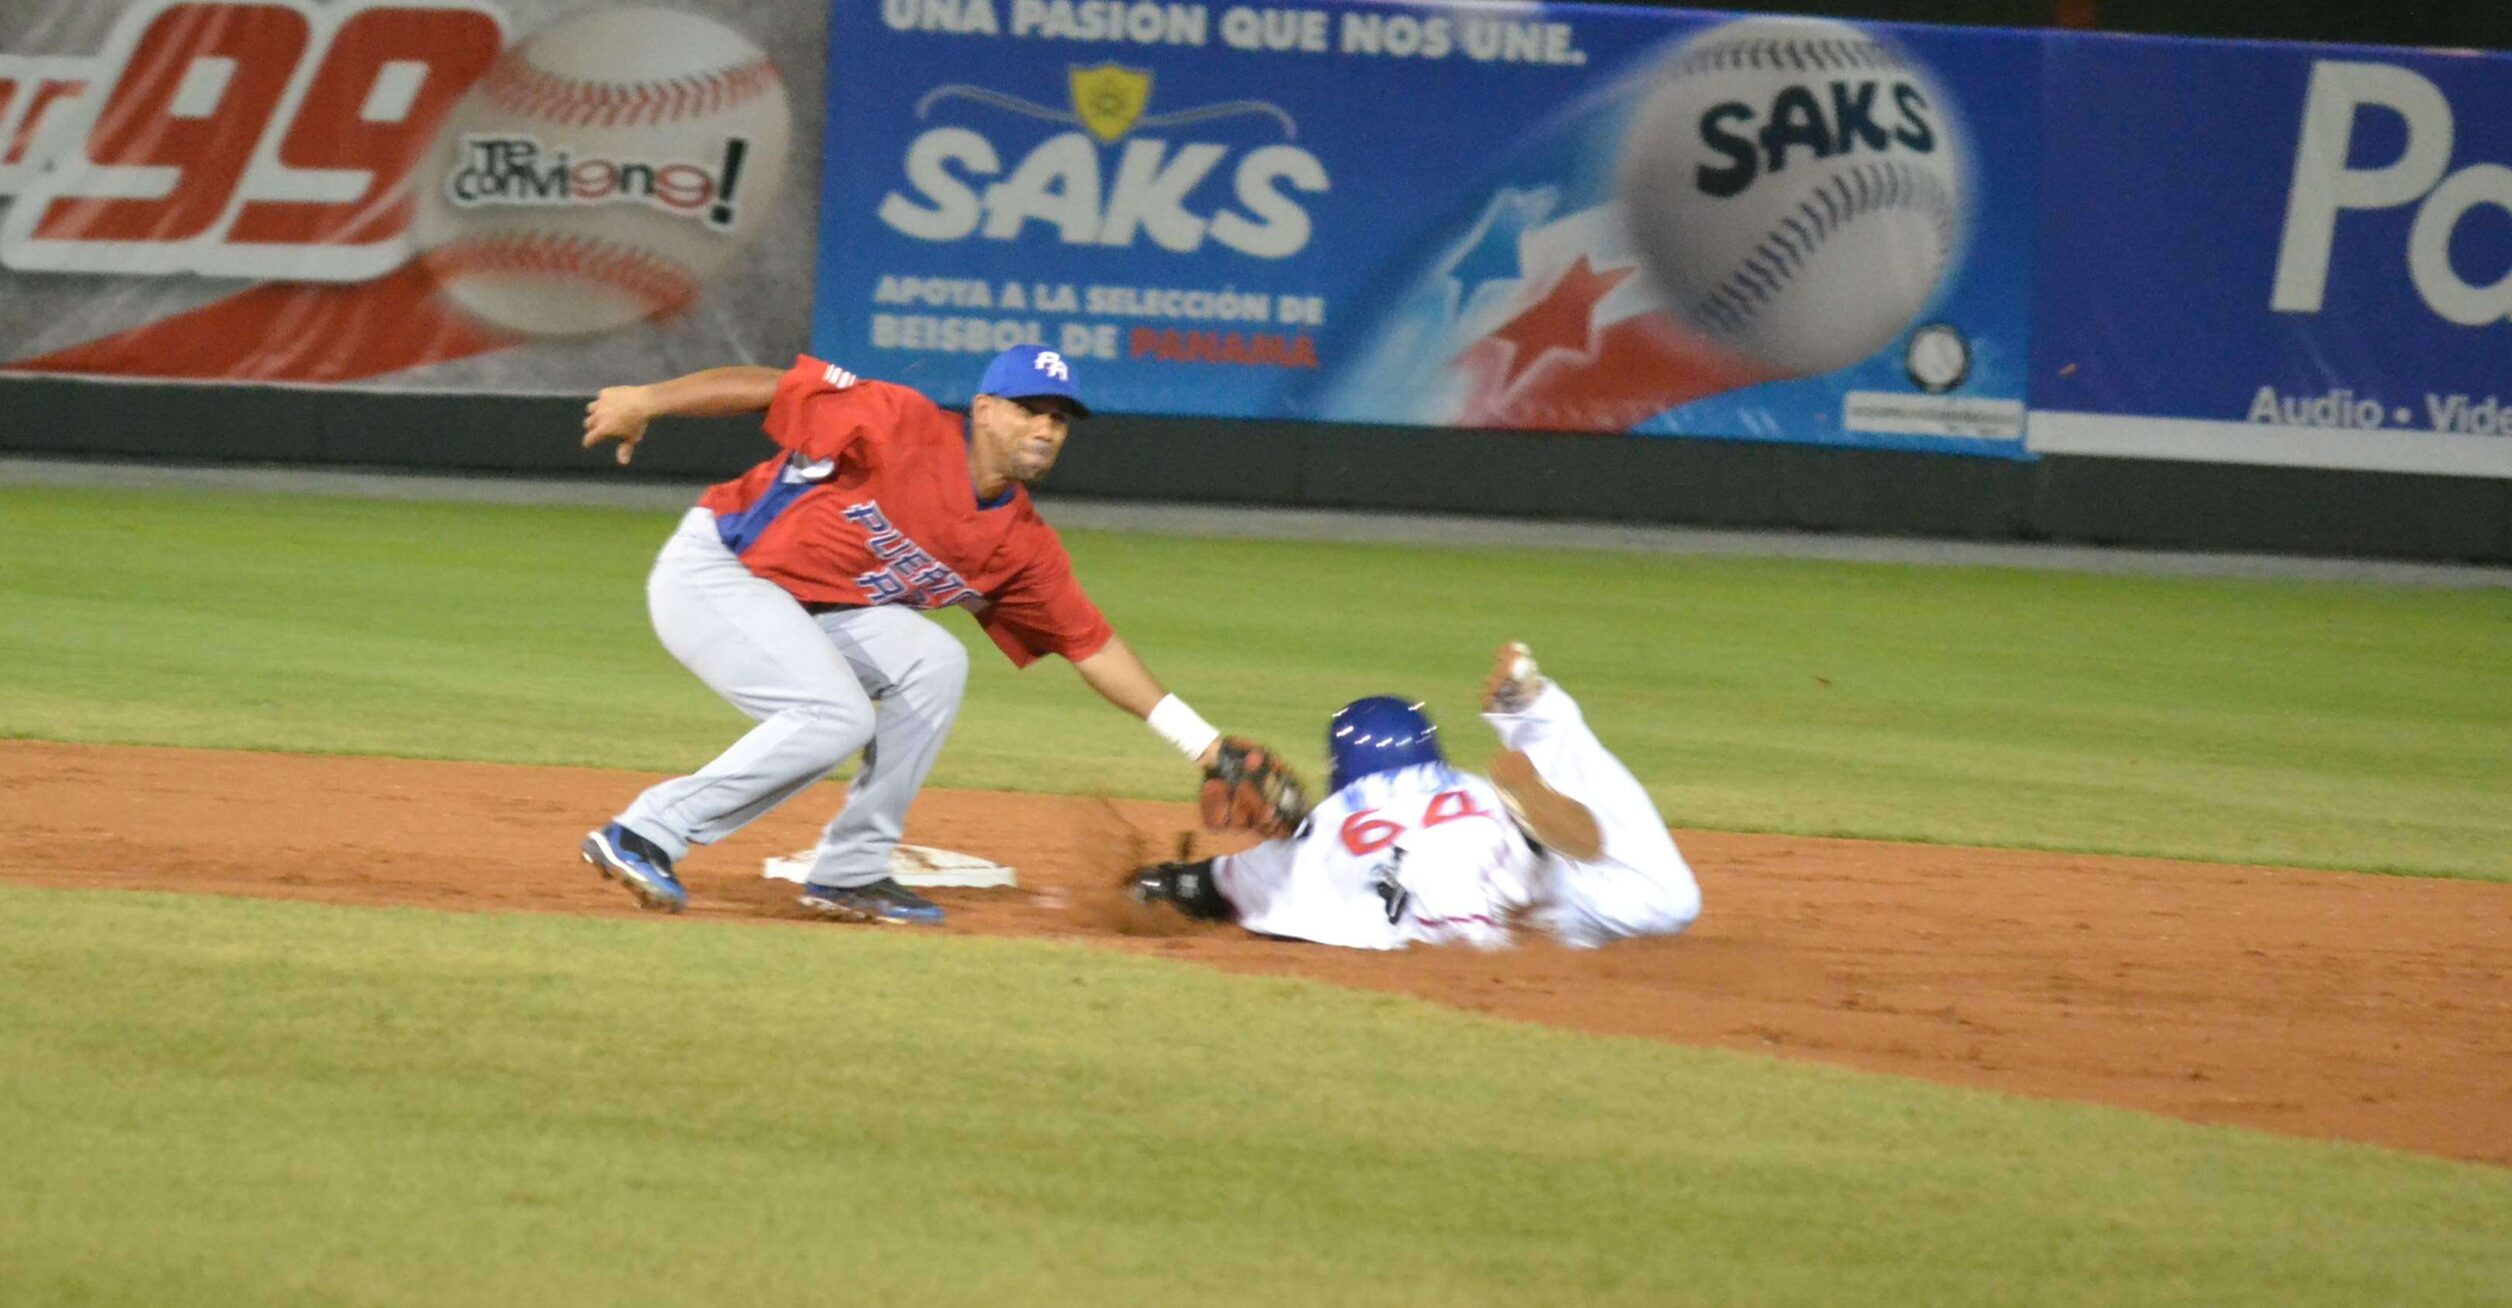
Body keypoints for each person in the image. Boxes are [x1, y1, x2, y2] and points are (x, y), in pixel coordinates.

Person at [576, 344, 1256, 925]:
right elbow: (770, 389)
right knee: (835, 716)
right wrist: (647, 399)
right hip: (720, 571)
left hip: (811, 609)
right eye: (1030, 409)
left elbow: (1092, 646)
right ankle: (643, 832)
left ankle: (850, 871)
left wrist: (1206, 745)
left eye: (1059, 418)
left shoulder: (1020, 544)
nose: (1046, 428)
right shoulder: (898, 422)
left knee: (934, 661)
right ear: (984, 409)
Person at [1129, 643, 1701, 950]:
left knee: (1301, 884)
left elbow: (1188, 887)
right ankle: (1543, 717)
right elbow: (1572, 839)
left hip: (1418, 948)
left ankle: (1545, 727)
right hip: (1542, 918)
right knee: (1661, 896)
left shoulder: (1320, 827)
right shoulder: (1479, 793)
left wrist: (1150, 881)